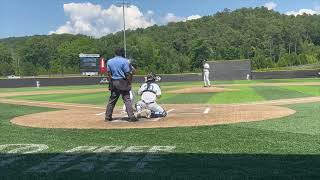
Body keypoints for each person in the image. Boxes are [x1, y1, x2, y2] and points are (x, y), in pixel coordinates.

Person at [105, 48, 138, 122]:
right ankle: (131, 116)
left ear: (115, 53)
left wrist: (111, 82)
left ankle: (107, 117)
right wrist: (129, 82)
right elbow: (127, 73)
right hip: (122, 82)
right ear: (122, 53)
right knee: (127, 99)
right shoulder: (125, 61)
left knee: (112, 101)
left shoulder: (109, 61)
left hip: (114, 81)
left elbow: (109, 73)